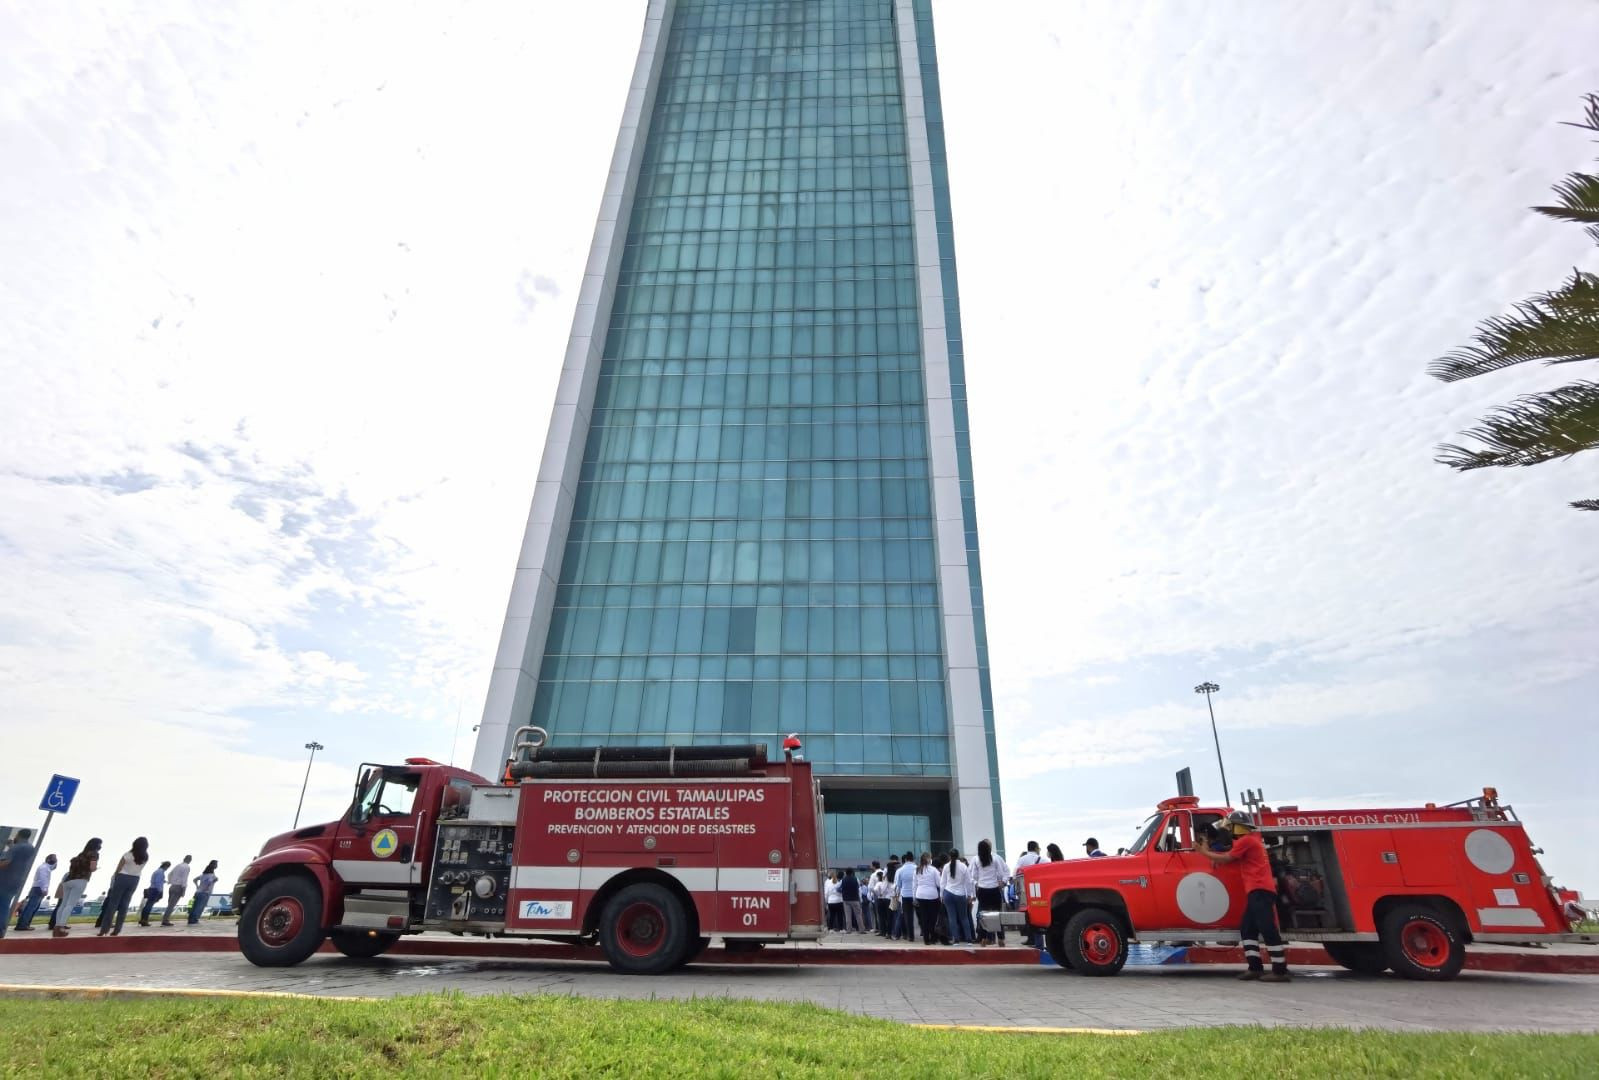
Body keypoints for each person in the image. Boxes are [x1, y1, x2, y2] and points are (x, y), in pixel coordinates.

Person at [1194, 810, 1290, 982]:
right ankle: (1255, 967)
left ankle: (1280, 970)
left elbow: (1227, 858)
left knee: (1267, 928)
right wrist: (1214, 853)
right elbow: (1228, 855)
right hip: (1258, 891)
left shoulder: (1246, 841)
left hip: (1260, 890)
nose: (1228, 830)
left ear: (1238, 827)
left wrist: (1203, 852)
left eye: (1231, 827)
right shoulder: (1251, 841)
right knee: (1247, 928)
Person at [96, 837, 149, 937]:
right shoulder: (145, 857)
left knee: (113, 904)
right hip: (135, 879)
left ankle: (104, 930)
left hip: (122, 877)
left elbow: (118, 868)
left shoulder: (128, 854)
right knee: (125, 905)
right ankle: (117, 929)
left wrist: (115, 878)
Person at [52, 839, 100, 937]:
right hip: (81, 880)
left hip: (68, 880)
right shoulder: (94, 854)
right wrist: (95, 869)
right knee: (70, 904)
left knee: (63, 904)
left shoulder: (81, 854)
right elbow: (92, 868)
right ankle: (61, 927)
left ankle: (57, 926)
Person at [971, 839, 1010, 946]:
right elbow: (1002, 873)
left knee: (983, 915)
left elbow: (972, 876)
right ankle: (1001, 938)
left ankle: (983, 938)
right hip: (994, 889)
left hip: (982, 890)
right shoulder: (995, 858)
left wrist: (977, 883)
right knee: (998, 914)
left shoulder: (976, 860)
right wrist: (1003, 882)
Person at [0, 829, 37, 939]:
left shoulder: (15, 848)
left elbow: (6, 862)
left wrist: (10, 848)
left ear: (18, 835)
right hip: (16, 881)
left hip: (4, 880)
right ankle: (1, 930)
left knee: (2, 906)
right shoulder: (30, 848)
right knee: (5, 906)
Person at [940, 847, 975, 945]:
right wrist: (969, 895)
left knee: (952, 918)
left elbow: (942, 882)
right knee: (964, 918)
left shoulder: (946, 866)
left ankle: (956, 940)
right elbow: (968, 882)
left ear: (949, 856)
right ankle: (968, 939)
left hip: (948, 893)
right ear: (958, 855)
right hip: (960, 894)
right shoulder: (963, 866)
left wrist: (941, 895)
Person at [14, 853, 57, 931]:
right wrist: (44, 889)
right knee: (31, 907)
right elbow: (43, 879)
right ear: (48, 859)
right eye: (54, 859)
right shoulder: (44, 868)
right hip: (38, 889)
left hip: (37, 888)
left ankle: (23, 924)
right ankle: (23, 925)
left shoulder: (44, 867)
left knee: (30, 907)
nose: (55, 862)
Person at [1012, 841, 1043, 946]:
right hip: (1039, 891)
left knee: (1028, 915)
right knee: (1039, 913)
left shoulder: (1022, 859)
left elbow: (1015, 874)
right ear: (1035, 848)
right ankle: (1039, 941)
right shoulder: (1042, 859)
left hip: (1025, 891)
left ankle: (1031, 938)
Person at [912, 852, 942, 945]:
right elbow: (939, 884)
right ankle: (933, 937)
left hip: (920, 895)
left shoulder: (917, 870)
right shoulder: (934, 870)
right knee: (932, 918)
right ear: (929, 859)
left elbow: (914, 885)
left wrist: (914, 897)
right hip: (932, 896)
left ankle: (926, 939)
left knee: (924, 918)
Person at [163, 855, 193, 927]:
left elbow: (170, 874)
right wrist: (184, 889)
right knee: (171, 905)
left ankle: (166, 919)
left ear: (184, 858)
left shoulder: (178, 865)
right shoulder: (187, 867)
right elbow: (184, 878)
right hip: (178, 887)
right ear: (190, 860)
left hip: (172, 886)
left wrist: (170, 882)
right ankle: (165, 920)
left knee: (169, 904)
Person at [893, 851, 917, 941]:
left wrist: (897, 896)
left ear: (906, 859)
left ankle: (911, 936)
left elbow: (898, 885)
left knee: (908, 917)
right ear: (913, 859)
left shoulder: (900, 870)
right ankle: (927, 935)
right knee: (922, 916)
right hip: (917, 895)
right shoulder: (917, 868)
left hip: (905, 895)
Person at [139, 861, 170, 927]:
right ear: (166, 866)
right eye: (167, 867)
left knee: (148, 905)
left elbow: (157, 880)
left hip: (152, 889)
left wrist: (164, 881)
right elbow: (157, 882)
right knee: (149, 905)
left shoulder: (157, 871)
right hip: (155, 890)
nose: (167, 868)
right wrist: (160, 891)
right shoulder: (160, 872)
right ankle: (144, 920)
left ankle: (143, 919)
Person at [840, 867, 864, 933]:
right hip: (855, 899)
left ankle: (849, 930)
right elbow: (858, 887)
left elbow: (839, 889)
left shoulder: (843, 880)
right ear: (852, 872)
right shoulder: (856, 879)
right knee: (858, 915)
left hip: (846, 900)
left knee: (848, 915)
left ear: (846, 873)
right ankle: (861, 929)